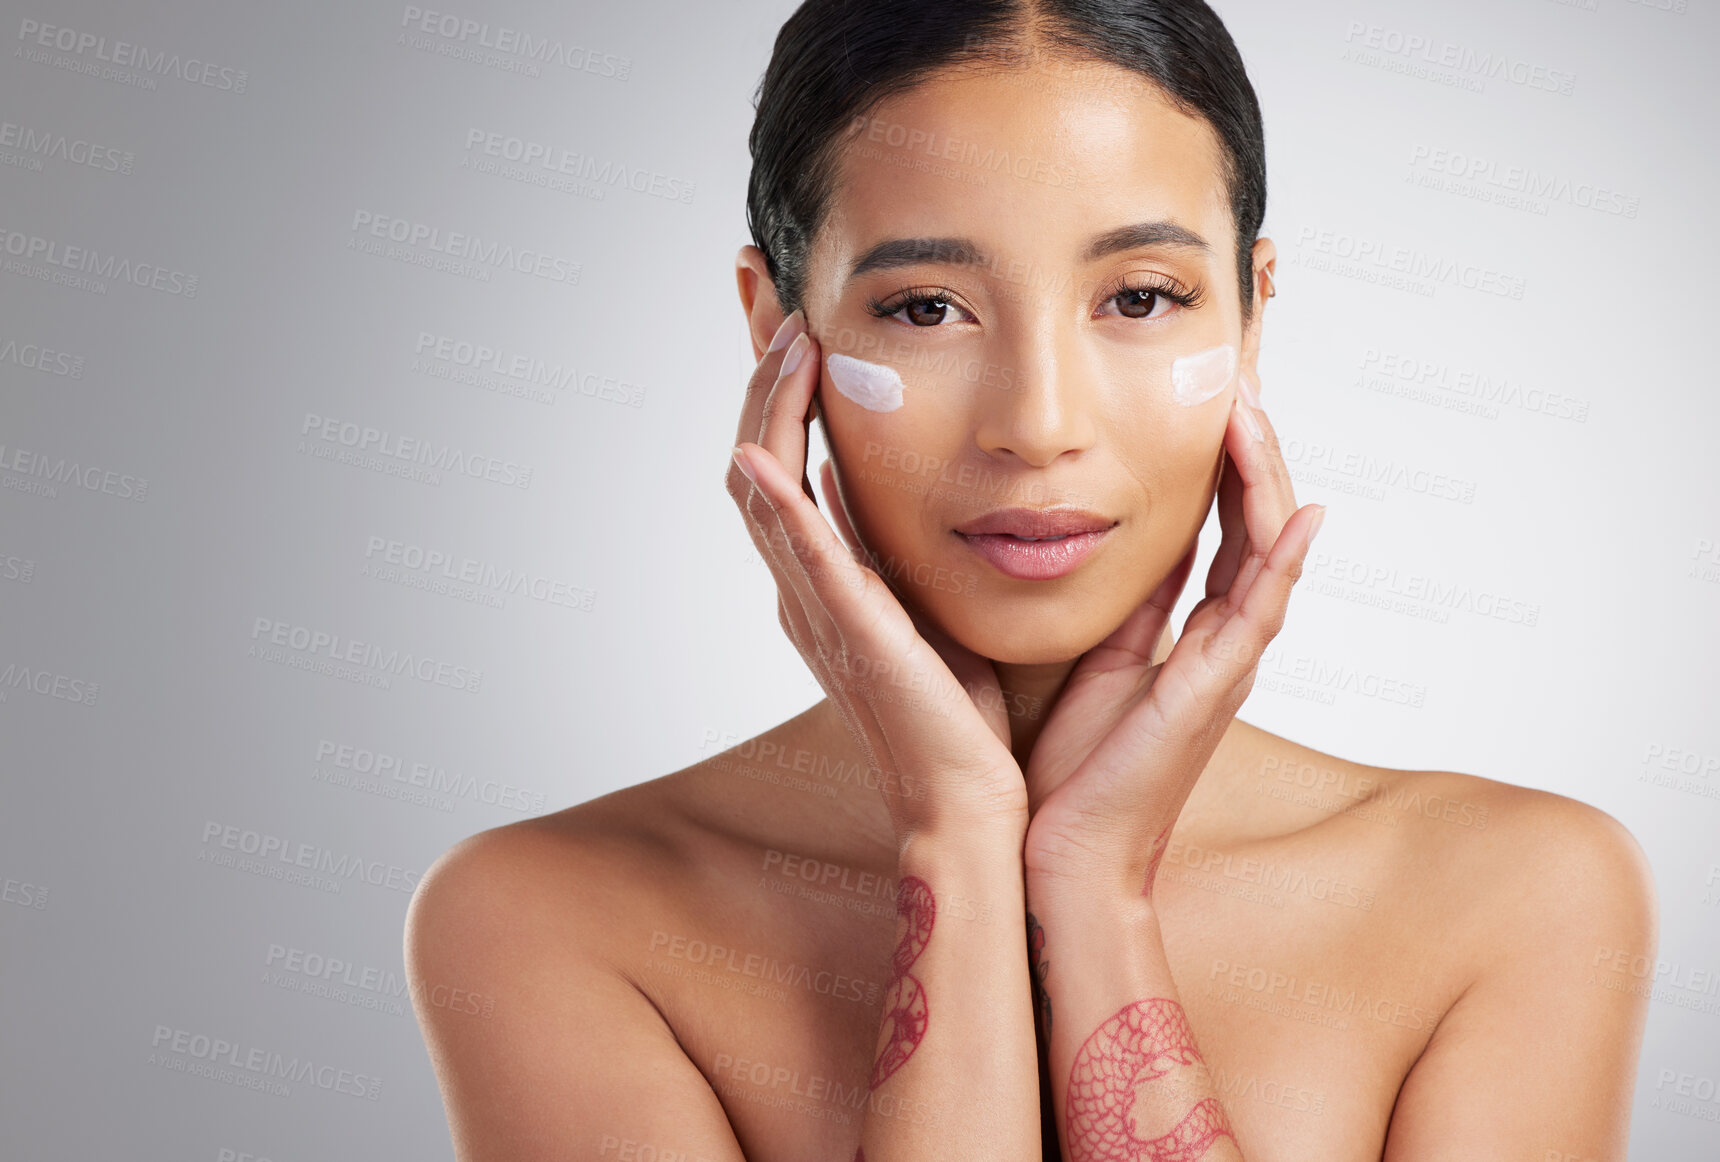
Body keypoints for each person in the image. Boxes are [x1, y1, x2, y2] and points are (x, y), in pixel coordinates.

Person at [405, 3, 1657, 1159]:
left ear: (1253, 311)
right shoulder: (549, 918)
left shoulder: (1515, 893)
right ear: (775, 325)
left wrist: (1095, 892)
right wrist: (953, 836)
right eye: (927, 309)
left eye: (1142, 296)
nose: (1037, 423)